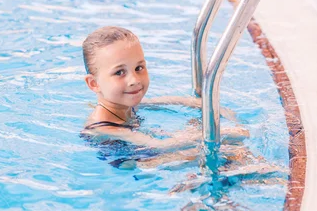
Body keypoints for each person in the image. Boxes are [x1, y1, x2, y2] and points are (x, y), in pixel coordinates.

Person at [82, 26, 247, 153]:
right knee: (224, 150)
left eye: (139, 68)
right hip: (131, 164)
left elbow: (166, 101)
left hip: (143, 151)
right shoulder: (103, 128)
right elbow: (160, 146)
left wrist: (204, 104)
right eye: (119, 72)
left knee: (231, 150)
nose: (134, 80)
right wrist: (220, 132)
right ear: (94, 84)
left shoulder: (121, 102)